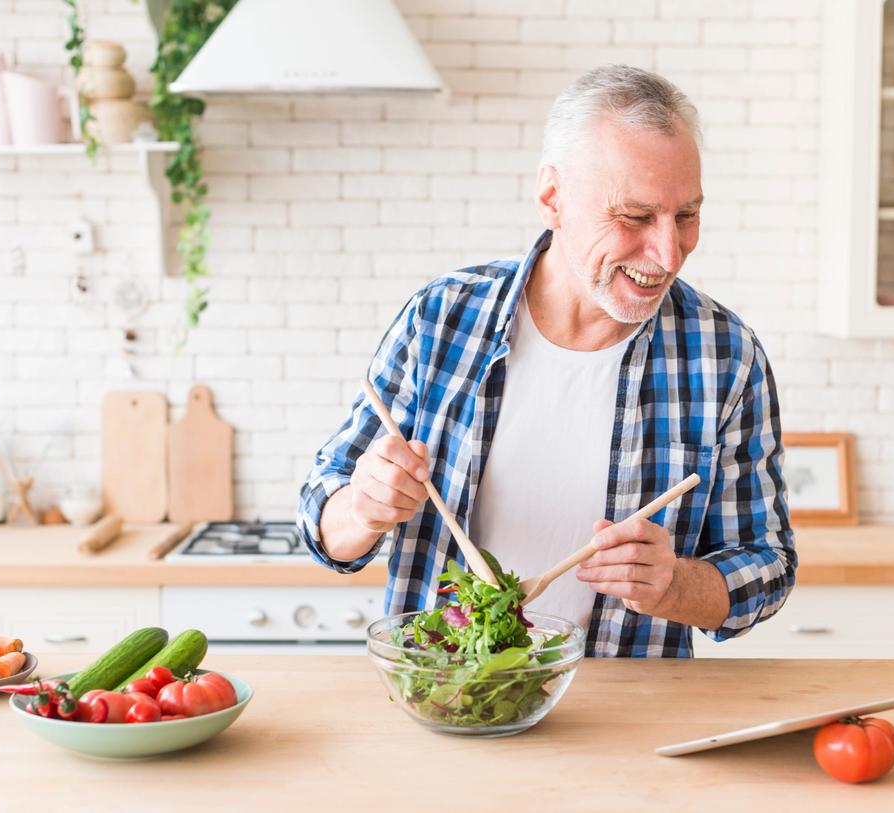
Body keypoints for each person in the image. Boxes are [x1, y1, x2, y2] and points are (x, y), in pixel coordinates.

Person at [298, 64, 796, 657]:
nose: (668, 252)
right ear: (552, 198)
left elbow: (768, 565)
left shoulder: (725, 355)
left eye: (686, 214)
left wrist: (674, 586)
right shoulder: (442, 318)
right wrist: (364, 507)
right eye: (635, 216)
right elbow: (321, 520)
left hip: (629, 718)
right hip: (450, 697)